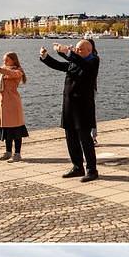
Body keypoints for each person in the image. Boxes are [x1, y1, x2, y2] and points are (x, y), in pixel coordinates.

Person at [40, 40, 100, 182]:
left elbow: (81, 64)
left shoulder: (93, 61)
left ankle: (92, 170)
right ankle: (77, 166)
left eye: (80, 49)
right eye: (76, 49)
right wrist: (46, 57)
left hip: (83, 106)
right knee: (71, 137)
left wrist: (67, 52)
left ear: (88, 50)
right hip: (69, 105)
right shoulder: (76, 61)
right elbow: (61, 66)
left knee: (85, 139)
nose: (77, 51)